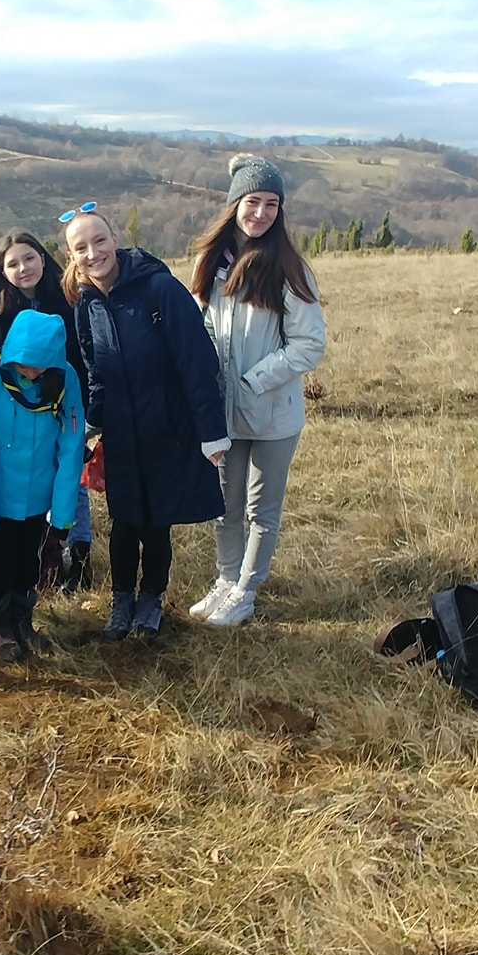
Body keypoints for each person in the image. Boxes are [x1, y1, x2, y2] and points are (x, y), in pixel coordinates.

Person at [64, 203, 228, 642]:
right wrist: (92, 423)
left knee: (157, 521)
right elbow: (95, 371)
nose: (93, 253)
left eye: (100, 240)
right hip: (120, 433)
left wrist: (211, 431)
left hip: (166, 428)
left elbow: (197, 361)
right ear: (72, 256)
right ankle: (121, 600)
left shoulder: (160, 289)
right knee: (123, 520)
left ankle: (151, 598)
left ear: (115, 239)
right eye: (81, 248)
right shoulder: (86, 304)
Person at [186, 155, 327, 628]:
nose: (261, 213)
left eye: (272, 204)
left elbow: (308, 344)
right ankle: (226, 580)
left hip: (272, 415)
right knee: (223, 506)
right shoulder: (210, 263)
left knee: (260, 509)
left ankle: (246, 591)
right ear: (235, 204)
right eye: (253, 202)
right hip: (222, 412)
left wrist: (253, 381)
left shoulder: (289, 268)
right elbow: (201, 326)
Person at [0, 231, 95, 591]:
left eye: (29, 258)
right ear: (2, 271)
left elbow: (82, 355)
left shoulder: (68, 299)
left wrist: (81, 411)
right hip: (11, 415)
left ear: (43, 259)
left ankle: (76, 553)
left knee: (70, 477)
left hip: (63, 401)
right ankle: (10, 560)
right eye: (12, 263)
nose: (23, 268)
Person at [0, 308, 85, 661]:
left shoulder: (65, 379)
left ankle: (23, 620)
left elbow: (71, 447)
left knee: (28, 563)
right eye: (24, 365)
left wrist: (62, 516)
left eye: (40, 366)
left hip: (39, 497)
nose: (31, 373)